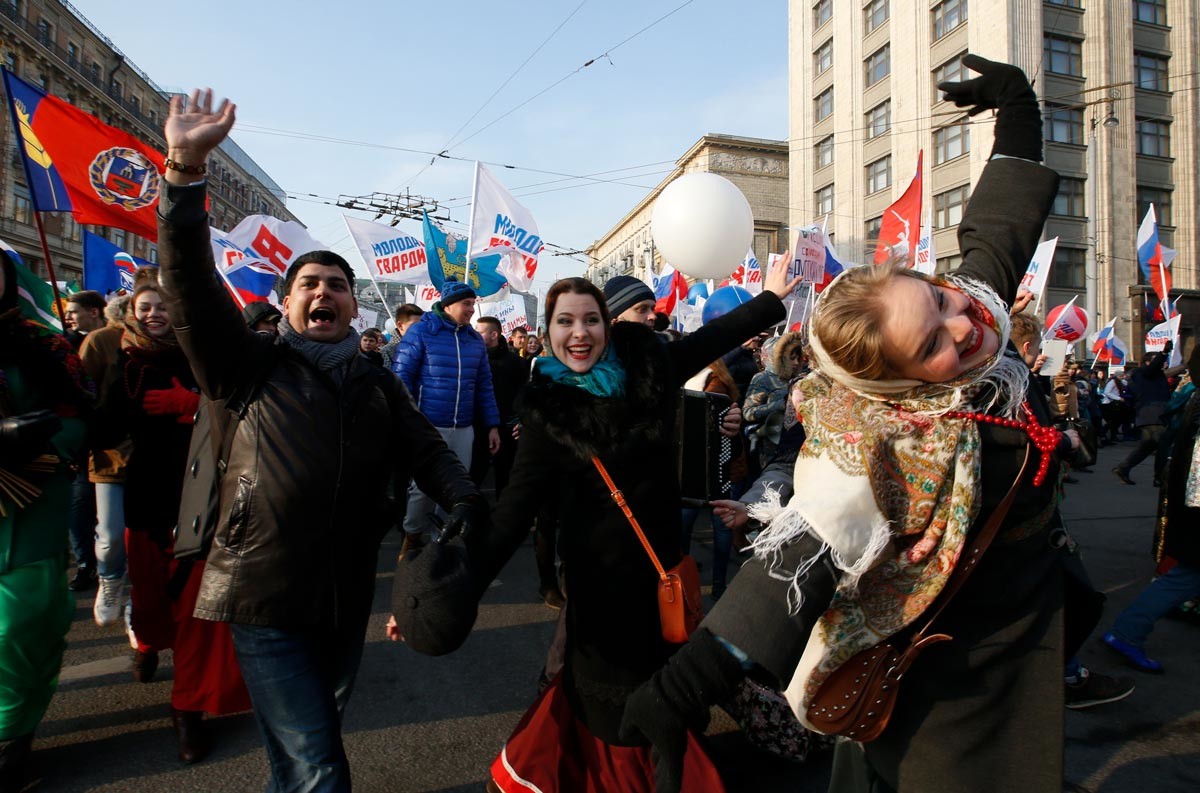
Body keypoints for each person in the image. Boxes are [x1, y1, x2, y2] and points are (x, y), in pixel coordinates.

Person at [619, 55, 1099, 793]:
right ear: (896, 379)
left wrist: (1018, 109)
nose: (963, 327)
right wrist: (681, 689)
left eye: (939, 301)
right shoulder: (880, 441)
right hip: (956, 670)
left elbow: (998, 227)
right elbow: (800, 557)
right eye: (931, 344)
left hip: (1036, 613)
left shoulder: (981, 312)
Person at [157, 88, 483, 790]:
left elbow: (424, 447)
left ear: (351, 303)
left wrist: (464, 498)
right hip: (260, 593)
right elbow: (186, 285)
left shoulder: (375, 380)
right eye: (309, 282)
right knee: (320, 767)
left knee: (304, 749)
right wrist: (184, 175)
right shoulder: (246, 364)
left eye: (337, 283)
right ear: (286, 302)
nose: (324, 291)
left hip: (343, 595)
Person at [392, 253, 801, 791]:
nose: (578, 333)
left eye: (590, 319)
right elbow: (509, 519)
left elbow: (708, 341)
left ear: (607, 326)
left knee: (670, 697)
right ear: (549, 332)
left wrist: (767, 300)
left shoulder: (648, 368)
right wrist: (439, 593)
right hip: (600, 593)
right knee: (618, 721)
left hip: (663, 579)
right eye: (565, 321)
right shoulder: (546, 416)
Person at [98, 277, 252, 763]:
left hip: (201, 503)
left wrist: (195, 407)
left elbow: (243, 412)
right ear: (132, 313)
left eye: (163, 305)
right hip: (146, 498)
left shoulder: (205, 358)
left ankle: (188, 708)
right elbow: (100, 428)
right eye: (145, 307)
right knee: (150, 599)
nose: (154, 313)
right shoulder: (124, 366)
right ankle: (146, 640)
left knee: (198, 610)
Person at [0, 250, 92, 792]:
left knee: (23, 623)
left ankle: (14, 733)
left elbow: (78, 418)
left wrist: (34, 441)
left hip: (29, 500)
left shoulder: (43, 345)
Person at [1103, 338, 1200, 674]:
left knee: (1185, 576)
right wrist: (1165, 350)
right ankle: (1127, 632)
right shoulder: (1160, 381)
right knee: (1185, 577)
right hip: (1192, 500)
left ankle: (1127, 631)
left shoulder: (1190, 392)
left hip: (1186, 496)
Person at [393, 278, 500, 554]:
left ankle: (442, 545)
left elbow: (484, 386)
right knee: (421, 490)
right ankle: (412, 535)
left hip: (464, 427)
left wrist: (492, 425)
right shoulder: (420, 333)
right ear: (449, 304)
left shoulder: (474, 340)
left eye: (473, 305)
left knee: (457, 488)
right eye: (467, 304)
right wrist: (406, 421)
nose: (471, 311)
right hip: (428, 426)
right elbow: (401, 379)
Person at [79, 294, 135, 627]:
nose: (153, 313)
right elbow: (80, 389)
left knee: (150, 542)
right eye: (145, 306)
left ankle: (139, 602)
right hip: (109, 455)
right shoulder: (101, 340)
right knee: (111, 533)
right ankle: (110, 579)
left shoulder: (171, 342)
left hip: (159, 458)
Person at [64, 289, 109, 592]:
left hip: (111, 440)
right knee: (79, 504)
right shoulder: (62, 345)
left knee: (107, 511)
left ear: (93, 312)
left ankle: (112, 566)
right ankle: (85, 563)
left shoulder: (115, 340)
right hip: (81, 444)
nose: (68, 317)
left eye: (74, 311)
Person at [1113, 346, 1175, 485]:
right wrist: (1164, 353)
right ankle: (1159, 477)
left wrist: (1185, 365)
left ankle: (1123, 468)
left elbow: (1168, 372)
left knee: (1147, 447)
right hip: (1153, 415)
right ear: (1148, 362)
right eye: (1157, 360)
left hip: (1151, 415)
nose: (1164, 363)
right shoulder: (1142, 373)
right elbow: (1153, 368)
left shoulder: (1153, 375)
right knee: (1163, 445)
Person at [379, 303, 423, 369]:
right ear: (400, 325)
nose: (418, 329)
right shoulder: (386, 352)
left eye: (421, 325)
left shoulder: (425, 347)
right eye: (414, 325)